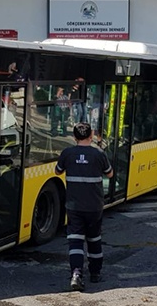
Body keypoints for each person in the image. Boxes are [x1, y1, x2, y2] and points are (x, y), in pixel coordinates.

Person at [55, 122, 114, 291]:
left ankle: (76, 273)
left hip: (73, 205)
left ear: (74, 137)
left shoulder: (67, 153)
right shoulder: (99, 154)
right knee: (94, 239)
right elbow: (110, 173)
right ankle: (95, 273)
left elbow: (57, 171)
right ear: (91, 135)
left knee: (75, 240)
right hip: (95, 206)